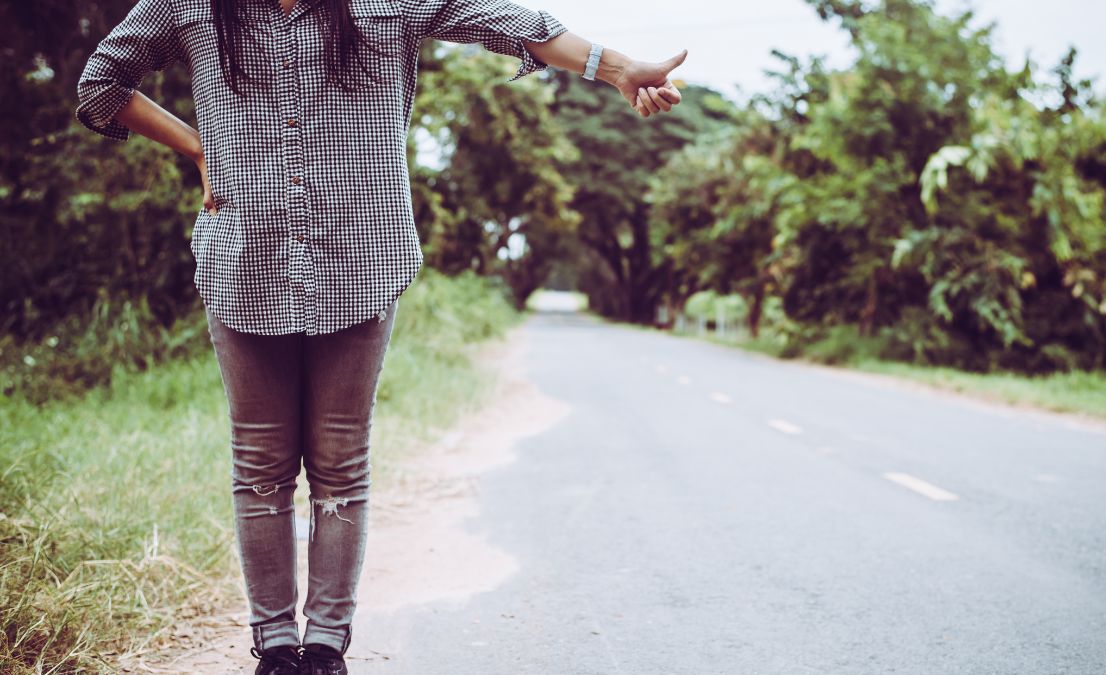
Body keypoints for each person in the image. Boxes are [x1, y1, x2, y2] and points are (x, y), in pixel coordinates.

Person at [75, 0, 687, 673]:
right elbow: (102, 84)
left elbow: (514, 25)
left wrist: (622, 68)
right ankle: (275, 648)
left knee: (339, 462)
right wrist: (200, 149)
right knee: (260, 468)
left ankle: (326, 647)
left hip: (359, 259)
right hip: (245, 259)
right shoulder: (189, 4)